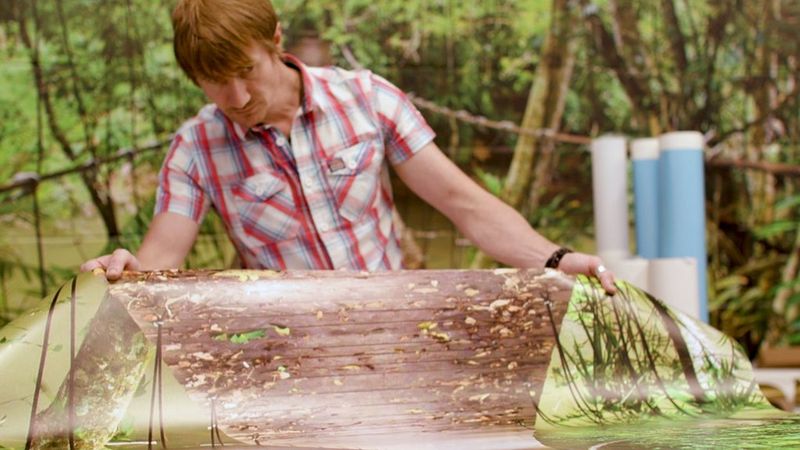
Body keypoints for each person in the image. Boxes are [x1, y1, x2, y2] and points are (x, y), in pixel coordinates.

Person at [80, 0, 616, 294]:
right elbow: (163, 259)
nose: (237, 97)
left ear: (276, 41)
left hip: (394, 319)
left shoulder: (367, 98)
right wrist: (129, 274)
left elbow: (463, 204)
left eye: (246, 71)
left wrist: (555, 259)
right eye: (214, 82)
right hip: (283, 348)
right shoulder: (195, 147)